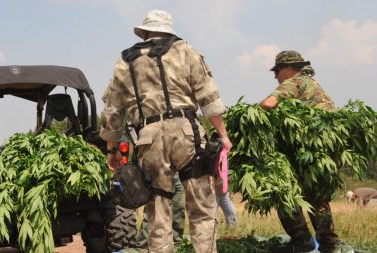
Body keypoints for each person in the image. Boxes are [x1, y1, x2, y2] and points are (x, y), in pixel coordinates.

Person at [100, 10, 232, 253]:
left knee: (158, 211)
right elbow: (208, 96)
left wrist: (112, 150)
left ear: (146, 31)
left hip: (148, 138)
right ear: (168, 30)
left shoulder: (125, 61)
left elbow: (112, 110)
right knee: (201, 209)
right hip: (186, 133)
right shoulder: (185, 50)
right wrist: (222, 134)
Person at [260, 50, 353, 253]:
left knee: (285, 192)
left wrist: (251, 119)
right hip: (326, 152)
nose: (275, 76)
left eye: (277, 71)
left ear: (288, 69)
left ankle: (302, 242)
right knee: (317, 199)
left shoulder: (295, 82)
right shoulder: (315, 85)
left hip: (308, 153)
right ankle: (329, 245)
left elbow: (267, 104)